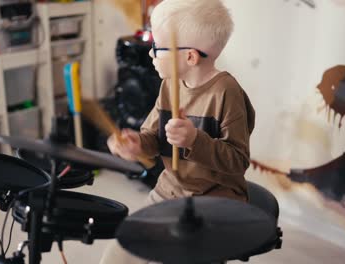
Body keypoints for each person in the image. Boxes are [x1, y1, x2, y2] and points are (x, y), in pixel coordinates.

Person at [100, 0, 255, 263]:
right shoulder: (169, 86)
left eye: (157, 47)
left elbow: (238, 160)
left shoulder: (226, 92)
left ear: (190, 56)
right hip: (170, 192)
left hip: (216, 200)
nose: (150, 54)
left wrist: (195, 140)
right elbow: (152, 138)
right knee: (117, 257)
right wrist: (137, 144)